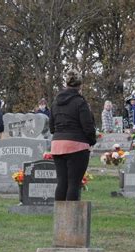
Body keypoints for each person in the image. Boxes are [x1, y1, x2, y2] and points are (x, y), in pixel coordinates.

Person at [50, 69, 96, 201]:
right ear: (80, 85)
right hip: (77, 145)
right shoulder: (80, 102)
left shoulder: (55, 102)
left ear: (66, 84)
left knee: (62, 182)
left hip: (57, 145)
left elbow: (51, 127)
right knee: (74, 184)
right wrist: (91, 141)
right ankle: (71, 218)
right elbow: (88, 126)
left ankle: (60, 218)